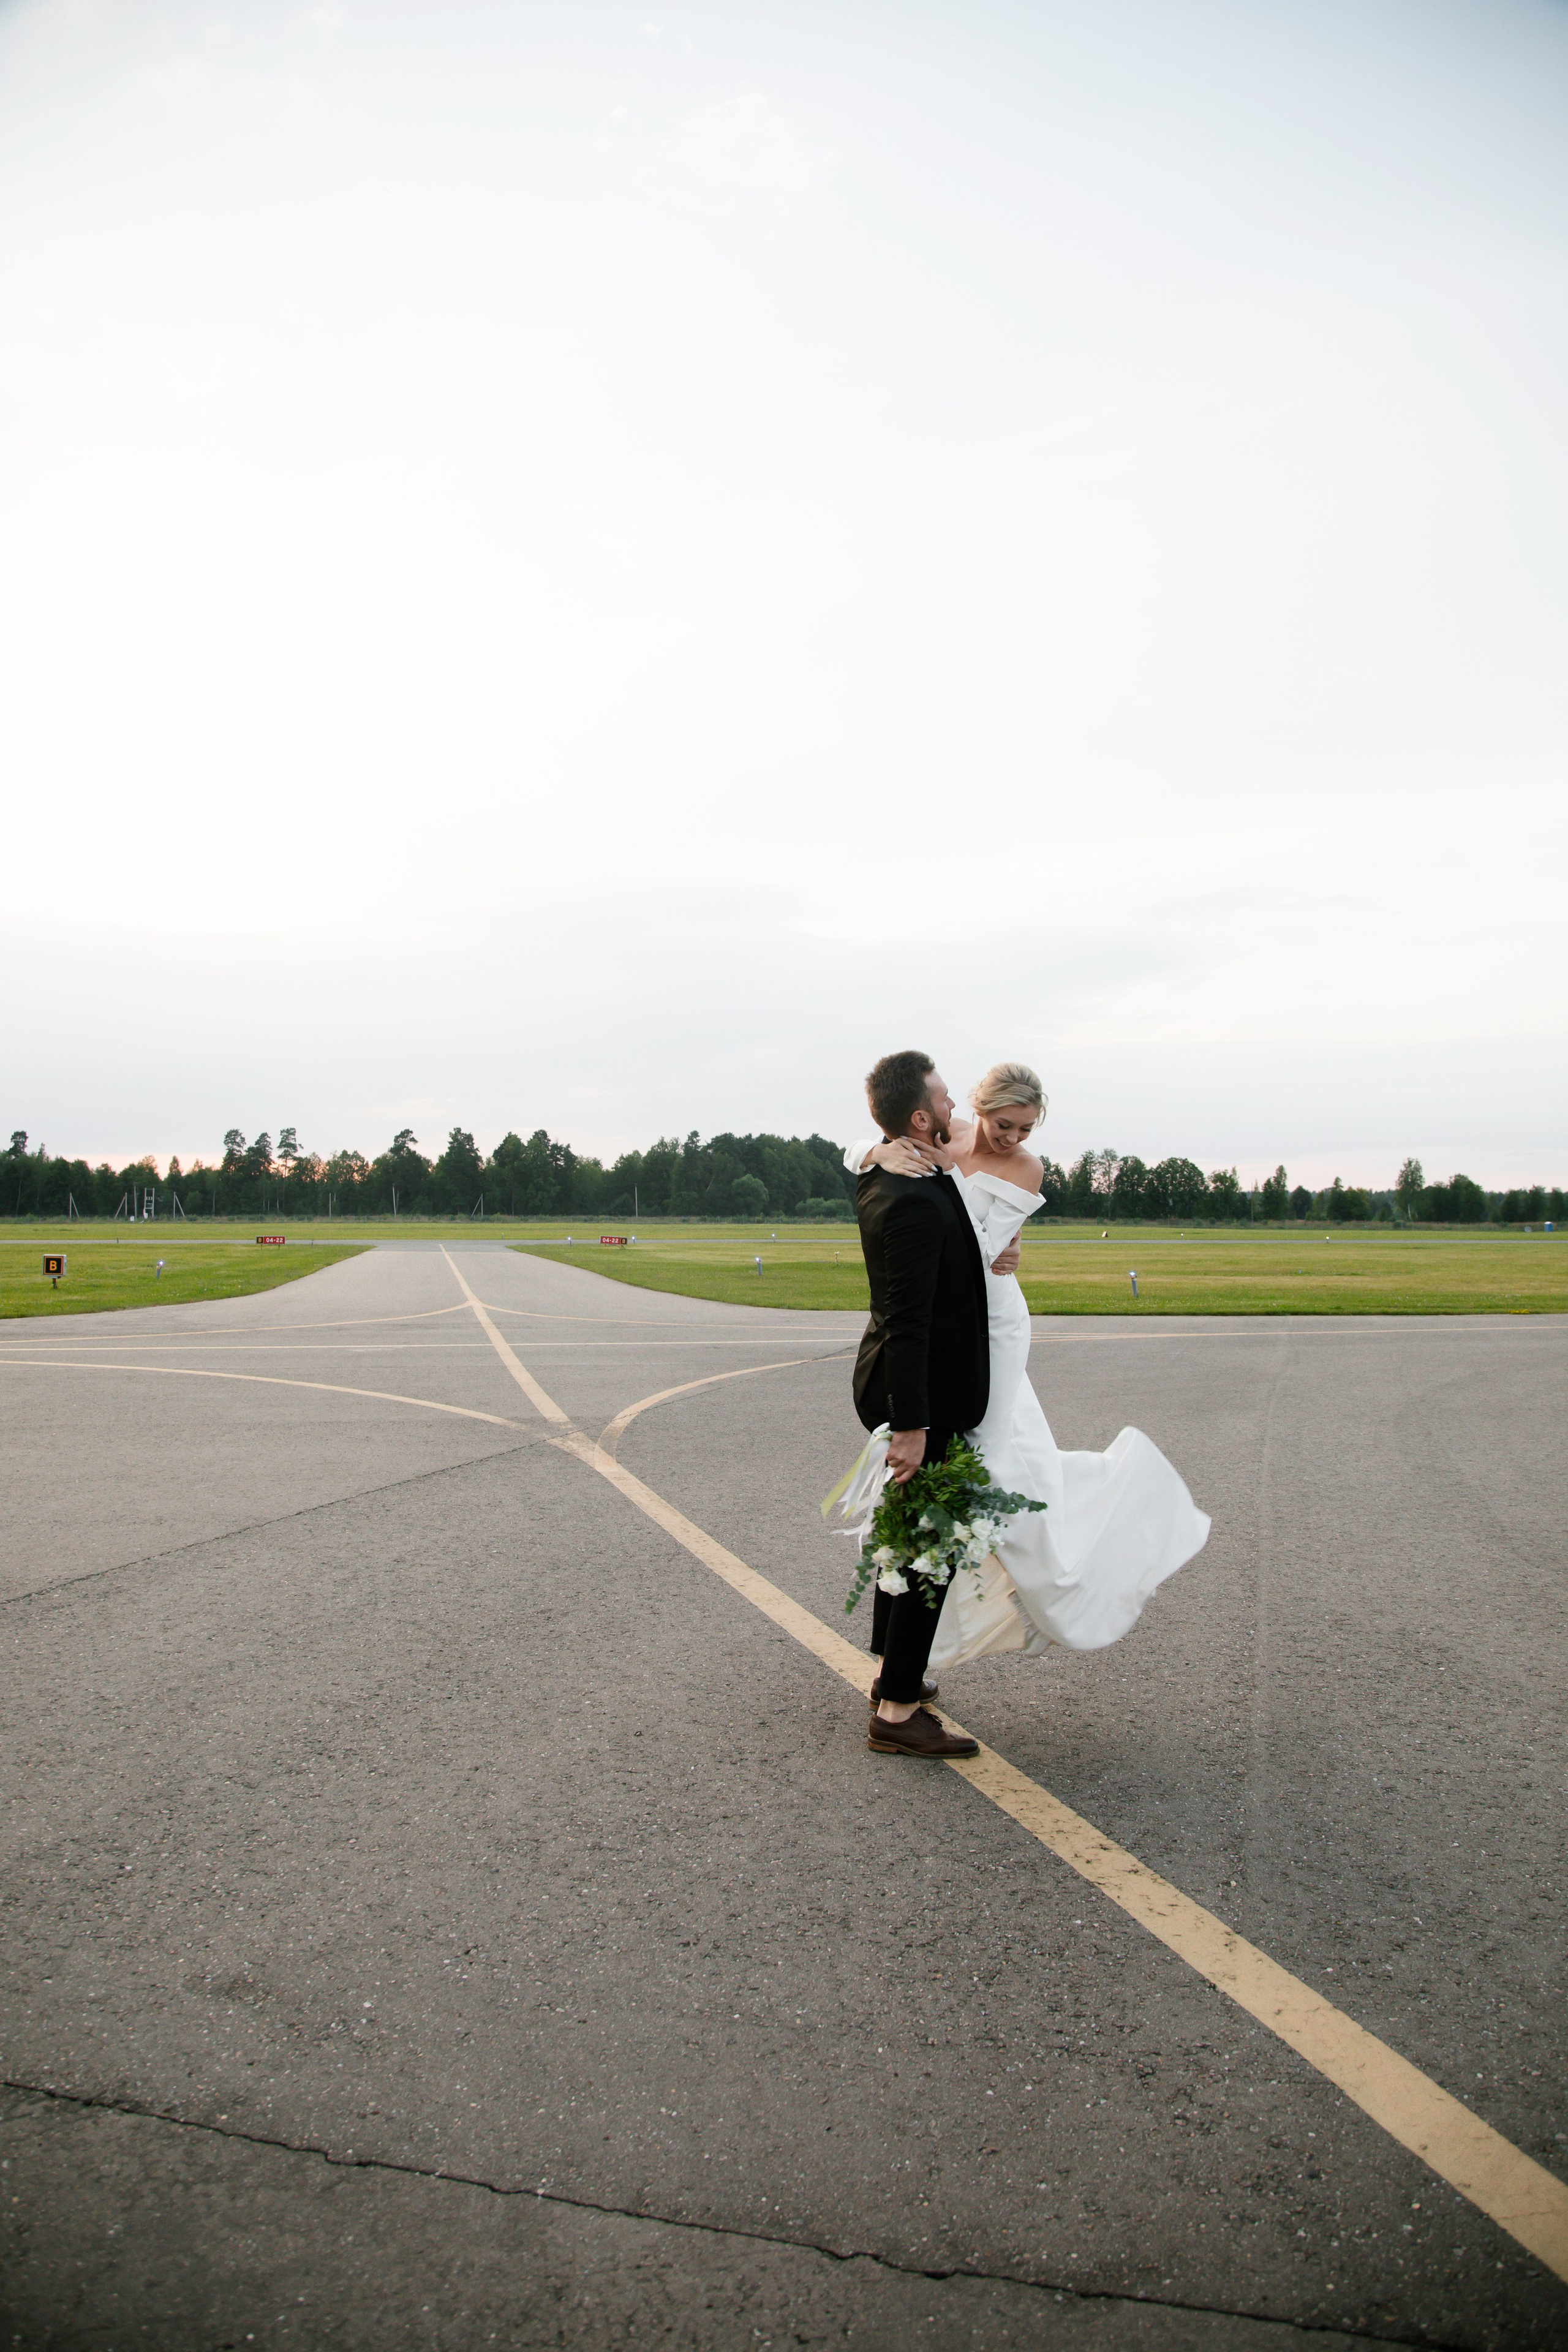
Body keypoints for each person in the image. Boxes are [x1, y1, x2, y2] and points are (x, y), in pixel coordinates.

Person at [848, 1060, 1210, 1674]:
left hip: (993, 1317)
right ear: (974, 1109)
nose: (1012, 1139)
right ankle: (916, 1629)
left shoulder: (1025, 1168)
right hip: (948, 1308)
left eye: (1025, 1129)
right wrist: (880, 1155)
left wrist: (1001, 1236)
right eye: (1003, 1124)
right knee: (959, 1466)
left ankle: (1025, 1565)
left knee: (990, 1451)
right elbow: (864, 1145)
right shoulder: (942, 1136)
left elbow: (983, 1245)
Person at [850, 1050, 987, 1760]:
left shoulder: (894, 1169)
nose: (956, 1110)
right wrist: (911, 1425)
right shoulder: (906, 1197)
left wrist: (875, 1145)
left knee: (909, 1538)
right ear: (919, 1118)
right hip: (922, 1394)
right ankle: (899, 1712)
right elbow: (907, 1322)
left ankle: (891, 1679)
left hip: (922, 1391)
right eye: (944, 1099)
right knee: (932, 1546)